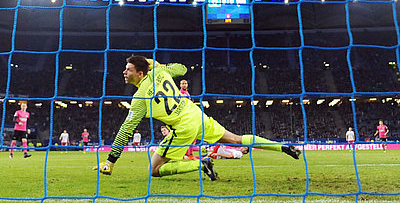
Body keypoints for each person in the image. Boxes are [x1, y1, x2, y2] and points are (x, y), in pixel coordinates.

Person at [94, 56, 301, 180]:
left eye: (128, 69)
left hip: (182, 126)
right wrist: (156, 64)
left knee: (154, 170)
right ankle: (282, 146)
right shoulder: (161, 72)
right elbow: (182, 68)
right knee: (236, 139)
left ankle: (200, 164)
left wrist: (111, 161)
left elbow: (125, 129)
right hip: (196, 114)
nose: (124, 72)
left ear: (139, 74)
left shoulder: (139, 98)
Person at [179, 79, 196, 160]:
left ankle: (187, 153)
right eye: (183, 83)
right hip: (184, 116)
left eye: (185, 83)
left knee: (192, 136)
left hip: (188, 114)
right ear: (180, 85)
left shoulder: (186, 93)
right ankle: (188, 154)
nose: (184, 85)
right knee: (190, 135)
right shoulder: (181, 93)